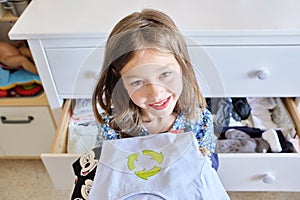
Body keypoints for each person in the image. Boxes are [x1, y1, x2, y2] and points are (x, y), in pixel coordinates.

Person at [71, 8, 223, 199]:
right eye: (138, 82)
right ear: (121, 83)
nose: (156, 93)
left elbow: (202, 177)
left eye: (165, 74)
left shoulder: (200, 121)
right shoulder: (112, 127)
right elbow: (109, 179)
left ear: (182, 66)